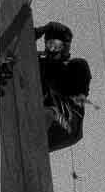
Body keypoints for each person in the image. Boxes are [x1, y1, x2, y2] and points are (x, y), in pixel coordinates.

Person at [35, 21, 92, 150]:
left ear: (65, 47)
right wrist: (42, 30)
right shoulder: (39, 61)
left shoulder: (76, 67)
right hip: (46, 117)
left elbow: (80, 94)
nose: (52, 49)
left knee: (45, 115)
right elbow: (23, 47)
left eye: (56, 45)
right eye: (49, 44)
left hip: (69, 123)